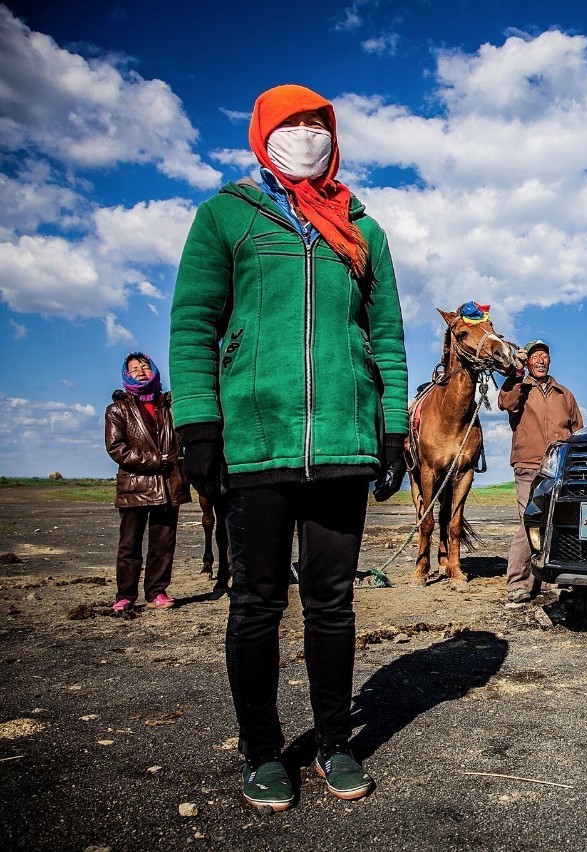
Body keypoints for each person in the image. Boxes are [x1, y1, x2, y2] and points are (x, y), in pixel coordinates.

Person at [169, 84, 409, 813]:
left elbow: (388, 334)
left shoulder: (364, 229)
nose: (305, 134)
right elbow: (193, 325)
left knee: (333, 604)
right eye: (291, 123)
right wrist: (199, 428)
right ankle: (263, 752)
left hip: (341, 436)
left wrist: (392, 425)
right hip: (255, 441)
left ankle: (336, 742)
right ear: (262, 133)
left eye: (317, 123)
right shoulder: (225, 217)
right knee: (256, 604)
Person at [497, 339, 582, 605]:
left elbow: (577, 429)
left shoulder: (563, 394)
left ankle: (549, 579)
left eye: (544, 356)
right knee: (529, 520)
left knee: (555, 521)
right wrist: (516, 371)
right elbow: (506, 403)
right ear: (528, 361)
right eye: (534, 356)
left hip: (558, 468)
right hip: (528, 465)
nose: (540, 360)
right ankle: (518, 583)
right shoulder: (520, 387)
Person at [105, 352, 191, 613]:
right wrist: (156, 460)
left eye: (144, 366)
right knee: (129, 544)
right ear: (126, 376)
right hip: (135, 486)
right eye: (134, 369)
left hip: (168, 485)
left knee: (163, 544)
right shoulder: (117, 409)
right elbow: (116, 448)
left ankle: (157, 592)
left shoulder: (170, 405)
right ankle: (125, 596)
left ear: (154, 371)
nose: (141, 371)